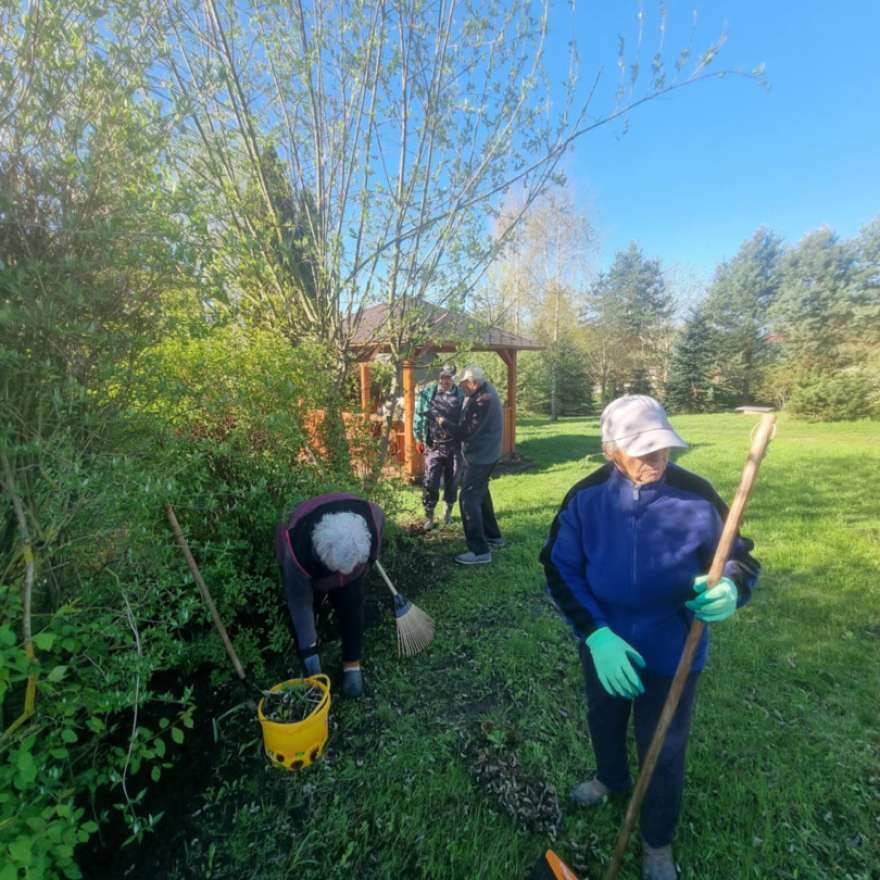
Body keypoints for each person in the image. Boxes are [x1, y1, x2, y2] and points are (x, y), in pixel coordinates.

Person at [539, 395, 760, 880]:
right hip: (607, 642)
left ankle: (657, 840)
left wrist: (731, 585)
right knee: (604, 715)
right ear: (611, 450)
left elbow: (740, 556)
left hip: (673, 645)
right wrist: (596, 635)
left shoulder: (697, 495)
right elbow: (559, 567)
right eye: (643, 451)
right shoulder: (585, 497)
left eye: (663, 448)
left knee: (663, 744)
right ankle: (611, 778)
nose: (657, 460)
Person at [276, 492, 385, 698]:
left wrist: (369, 561)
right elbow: (299, 602)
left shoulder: (372, 517)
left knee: (352, 602)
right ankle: (312, 661)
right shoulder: (297, 548)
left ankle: (352, 665)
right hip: (309, 564)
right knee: (308, 606)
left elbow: (378, 535)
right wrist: (309, 651)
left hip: (348, 559)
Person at [437, 364, 504, 565]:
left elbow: (465, 431)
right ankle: (494, 536)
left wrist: (444, 423)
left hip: (480, 457)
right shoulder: (485, 391)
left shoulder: (482, 400)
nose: (461, 387)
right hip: (489, 454)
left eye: (464, 383)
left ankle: (479, 551)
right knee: (481, 493)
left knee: (468, 499)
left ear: (473, 382)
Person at [413, 364, 464, 531]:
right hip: (433, 446)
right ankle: (429, 516)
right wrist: (419, 438)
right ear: (438, 378)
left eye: (449, 378)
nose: (445, 381)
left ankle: (448, 512)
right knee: (430, 481)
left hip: (454, 445)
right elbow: (419, 415)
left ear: (453, 379)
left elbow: (467, 419)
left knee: (453, 480)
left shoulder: (461, 395)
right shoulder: (428, 393)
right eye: (442, 377)